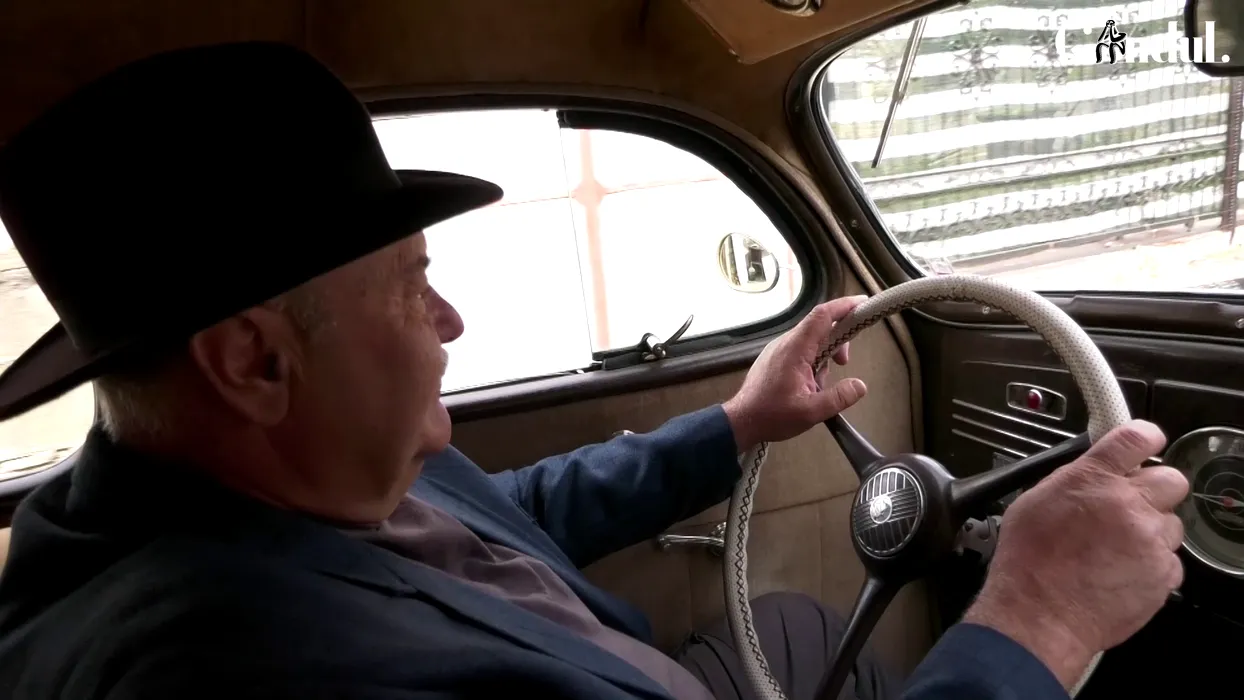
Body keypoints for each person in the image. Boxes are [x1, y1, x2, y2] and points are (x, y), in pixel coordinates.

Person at [0, 42, 1186, 700]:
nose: (449, 320)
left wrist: (736, 423)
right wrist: (1036, 615)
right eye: (410, 286)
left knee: (795, 621)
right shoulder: (243, 668)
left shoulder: (260, 480)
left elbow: (501, 521)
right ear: (253, 359)